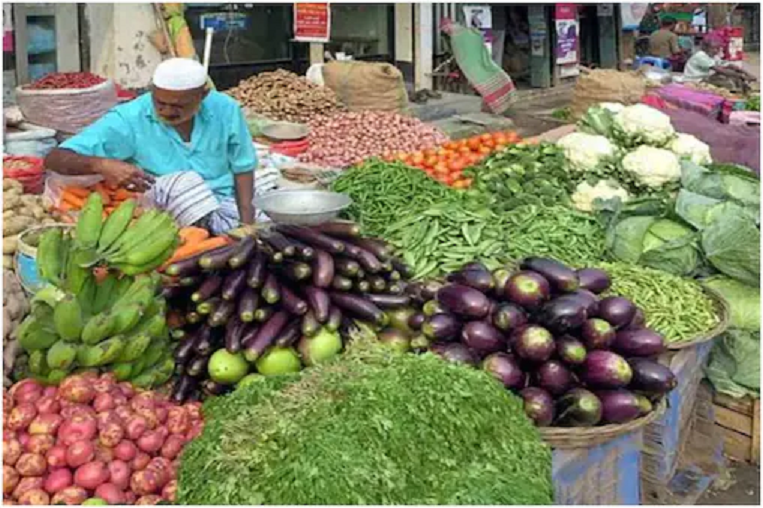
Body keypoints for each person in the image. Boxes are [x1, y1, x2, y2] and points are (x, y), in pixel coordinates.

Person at [44, 58, 257, 234]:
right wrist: (102, 165)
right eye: (160, 103)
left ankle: (218, 231)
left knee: (267, 212)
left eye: (178, 106)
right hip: (163, 203)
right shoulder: (129, 118)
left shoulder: (225, 108)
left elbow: (243, 166)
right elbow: (54, 158)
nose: (167, 111)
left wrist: (247, 225)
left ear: (203, 95)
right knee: (186, 183)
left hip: (222, 196)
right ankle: (205, 235)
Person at [683, 35, 757, 91]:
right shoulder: (701, 56)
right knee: (727, 80)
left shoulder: (714, 56)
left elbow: (729, 65)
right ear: (705, 48)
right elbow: (720, 70)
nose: (716, 50)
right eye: (713, 48)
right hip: (695, 80)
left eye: (718, 48)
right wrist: (742, 76)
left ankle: (744, 89)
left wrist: (747, 73)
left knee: (732, 73)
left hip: (704, 78)